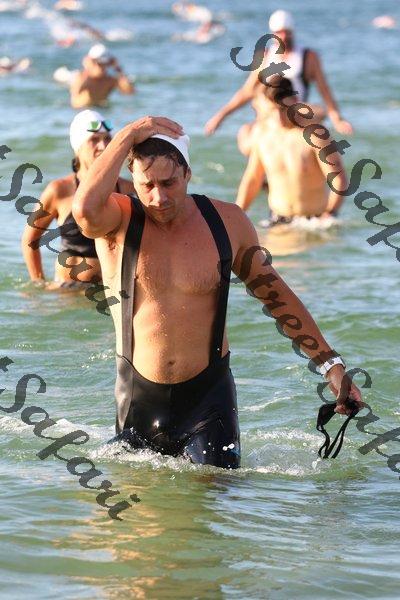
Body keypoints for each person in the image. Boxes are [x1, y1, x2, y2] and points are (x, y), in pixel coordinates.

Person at [72, 115, 363, 469]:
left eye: (169, 183)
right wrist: (128, 134)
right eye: (147, 185)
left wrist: (331, 365)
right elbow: (83, 208)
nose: (159, 197)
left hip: (208, 400)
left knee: (215, 493)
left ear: (188, 174)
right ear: (132, 178)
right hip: (138, 398)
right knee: (139, 500)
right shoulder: (117, 220)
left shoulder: (226, 222)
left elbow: (276, 296)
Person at [205, 9, 353, 155]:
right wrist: (220, 116)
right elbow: (247, 91)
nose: (283, 36)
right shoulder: (265, 56)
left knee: (318, 113)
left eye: (287, 32)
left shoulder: (308, 56)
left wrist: (337, 119)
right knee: (245, 133)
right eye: (279, 32)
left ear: (292, 32)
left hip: (294, 112)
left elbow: (324, 90)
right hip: (269, 113)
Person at [21, 110, 134, 290]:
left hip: (112, 292)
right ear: (78, 148)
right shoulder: (60, 190)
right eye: (94, 140)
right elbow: (30, 239)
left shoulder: (129, 189)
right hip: (68, 294)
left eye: (107, 139)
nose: (103, 146)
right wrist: (39, 284)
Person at [236, 77, 347, 225]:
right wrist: (237, 214)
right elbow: (253, 179)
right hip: (277, 220)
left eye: (283, 109)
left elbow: (339, 179)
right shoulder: (262, 135)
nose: (279, 118)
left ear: (295, 101)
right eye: (273, 110)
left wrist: (330, 213)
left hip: (313, 223)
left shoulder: (315, 136)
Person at [70, 44, 134, 109]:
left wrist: (119, 70)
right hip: (83, 110)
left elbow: (130, 92)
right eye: (99, 64)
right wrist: (87, 69)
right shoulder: (81, 77)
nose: (102, 67)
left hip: (102, 109)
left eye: (105, 64)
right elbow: (74, 100)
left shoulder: (110, 80)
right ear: (91, 62)